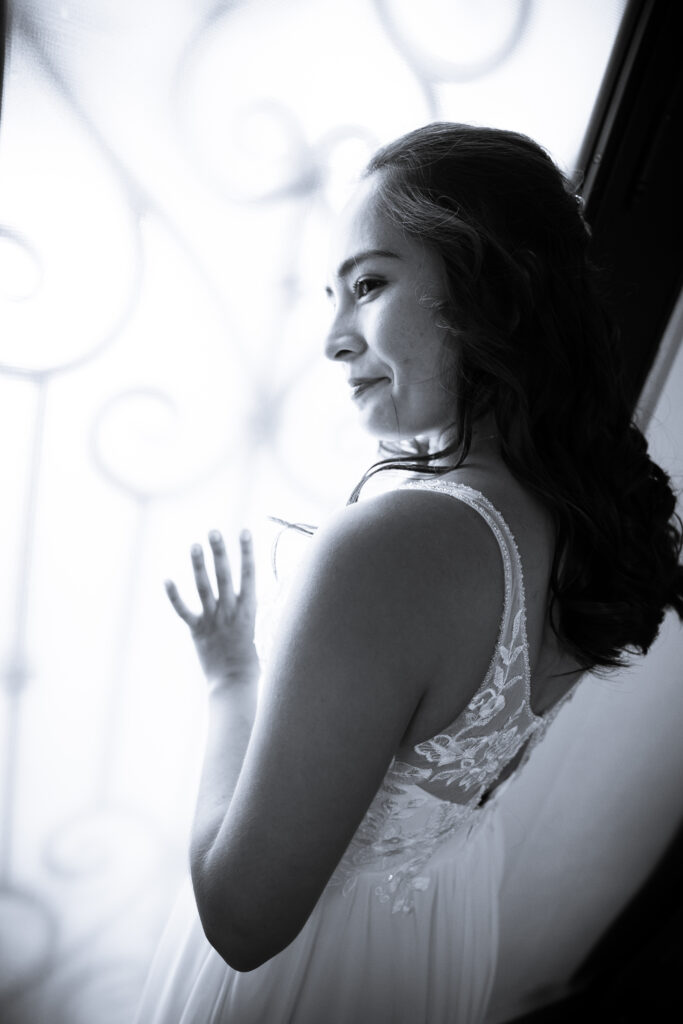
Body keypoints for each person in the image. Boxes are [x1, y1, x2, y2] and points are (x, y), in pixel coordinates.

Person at [134, 123, 683, 1024]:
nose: (334, 341)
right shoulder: (580, 516)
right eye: (332, 296)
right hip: (431, 937)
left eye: (369, 284)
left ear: (489, 288)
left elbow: (242, 918)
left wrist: (232, 676)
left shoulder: (388, 547)